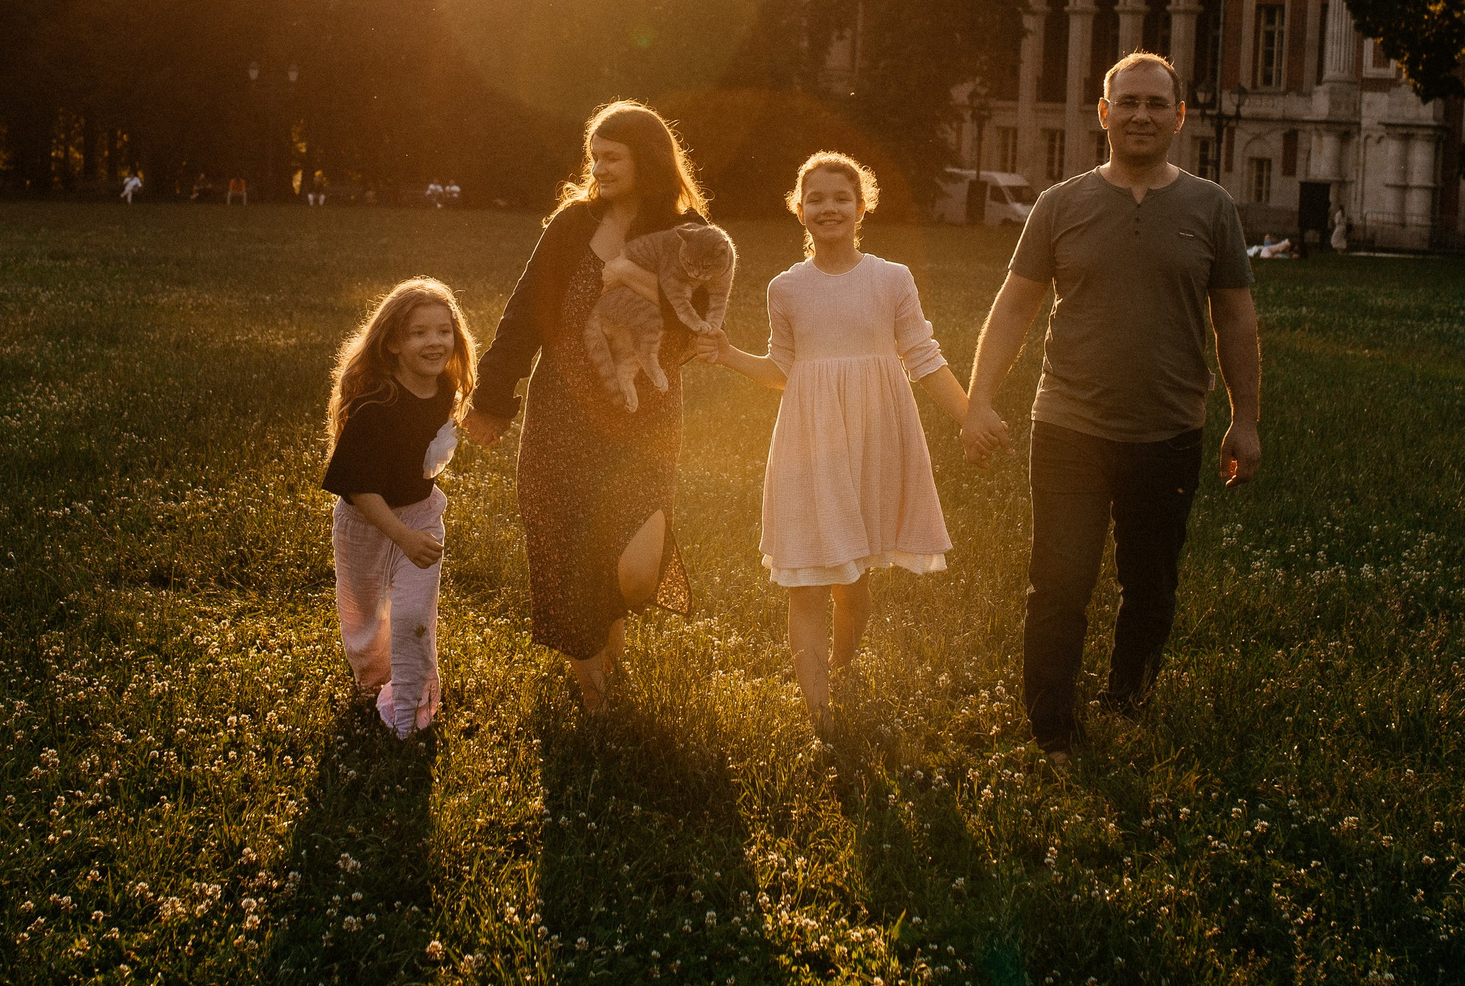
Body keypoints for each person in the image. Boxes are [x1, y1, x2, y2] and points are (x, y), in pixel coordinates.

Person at [960, 50, 1263, 764]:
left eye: (1156, 104)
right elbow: (1013, 309)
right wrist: (978, 400)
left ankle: (1128, 699)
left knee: (1151, 584)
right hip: (1068, 425)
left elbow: (1235, 319)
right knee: (1059, 582)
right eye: (1127, 102)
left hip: (1170, 428)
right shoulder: (1059, 205)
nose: (1140, 115)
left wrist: (1245, 420)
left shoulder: (1212, 207)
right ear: (1103, 113)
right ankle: (1051, 728)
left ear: (1179, 117)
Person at [699, 152, 968, 732]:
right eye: (815, 199)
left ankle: (841, 671)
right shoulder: (786, 288)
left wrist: (971, 416)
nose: (829, 208)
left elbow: (922, 356)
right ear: (799, 209)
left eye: (841, 198)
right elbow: (782, 368)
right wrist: (727, 354)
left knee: (853, 580)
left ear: (862, 206)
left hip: (873, 440)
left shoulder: (891, 279)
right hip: (808, 444)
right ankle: (819, 714)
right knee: (807, 576)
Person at [466, 101, 712, 712]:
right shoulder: (571, 227)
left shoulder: (687, 233)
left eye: (613, 157)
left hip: (643, 421)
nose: (599, 168)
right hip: (560, 413)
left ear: (647, 160)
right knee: (565, 550)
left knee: (634, 572)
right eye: (594, 156)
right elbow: (524, 313)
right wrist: (491, 398)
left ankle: (605, 631)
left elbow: (698, 320)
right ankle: (597, 700)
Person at [323, 278, 475, 739]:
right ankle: (375, 685)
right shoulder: (376, 405)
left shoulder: (446, 387)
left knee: (411, 617)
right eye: (419, 333)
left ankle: (411, 711)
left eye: (444, 331)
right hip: (367, 521)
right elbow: (358, 488)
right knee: (366, 618)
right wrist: (401, 536)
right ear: (392, 343)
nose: (435, 342)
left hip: (421, 517)